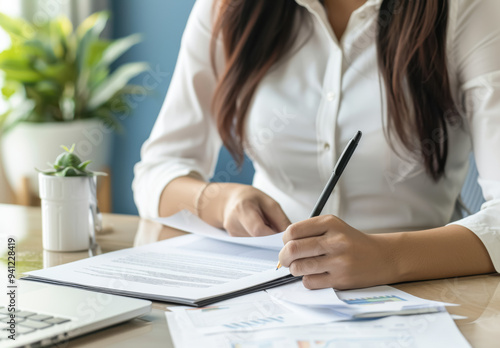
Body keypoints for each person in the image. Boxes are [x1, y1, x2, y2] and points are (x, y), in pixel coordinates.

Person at [133, 0, 500, 290]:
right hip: (269, 292)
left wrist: (387, 258)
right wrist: (222, 201)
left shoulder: (468, 8)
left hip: (423, 292)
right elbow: (156, 173)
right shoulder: (229, 7)